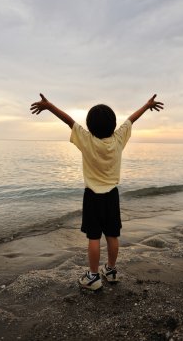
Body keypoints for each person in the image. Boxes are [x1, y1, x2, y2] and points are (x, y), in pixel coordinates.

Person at [30, 93, 164, 291]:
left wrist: (49, 106)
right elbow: (131, 120)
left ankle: (93, 276)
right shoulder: (118, 139)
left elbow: (69, 121)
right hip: (112, 196)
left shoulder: (86, 140)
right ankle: (110, 270)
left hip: (92, 196)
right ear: (113, 125)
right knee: (112, 235)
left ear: (90, 126)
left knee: (94, 237)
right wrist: (146, 105)